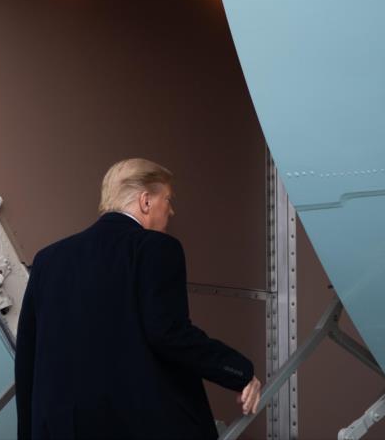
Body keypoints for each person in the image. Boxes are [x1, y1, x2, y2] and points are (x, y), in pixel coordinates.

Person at [14, 158, 262, 439]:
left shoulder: (49, 259)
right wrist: (239, 371)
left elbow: (28, 357)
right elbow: (168, 333)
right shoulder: (155, 248)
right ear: (145, 201)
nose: (171, 210)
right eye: (167, 199)